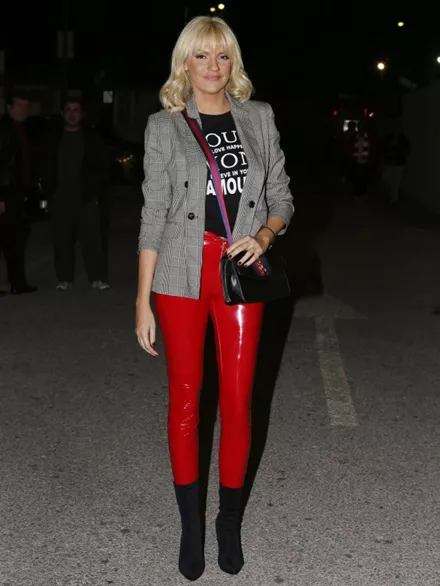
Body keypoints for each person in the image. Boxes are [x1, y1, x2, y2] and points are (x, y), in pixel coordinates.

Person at [135, 16, 294, 581]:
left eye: (222, 56)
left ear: (234, 63)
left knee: (238, 398)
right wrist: (142, 300)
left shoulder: (258, 117)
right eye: (201, 56)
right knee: (185, 398)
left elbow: (281, 196)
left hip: (239, 272)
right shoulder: (163, 126)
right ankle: (190, 526)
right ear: (185, 63)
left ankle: (228, 522)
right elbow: (154, 213)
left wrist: (265, 236)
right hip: (179, 273)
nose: (212, 67)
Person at [41, 97, 111, 291]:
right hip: (59, 198)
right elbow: (43, 163)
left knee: (92, 240)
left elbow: (103, 166)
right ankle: (64, 279)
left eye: (76, 110)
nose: (72, 114)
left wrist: (94, 189)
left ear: (82, 114)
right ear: (62, 113)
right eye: (68, 109)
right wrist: (47, 188)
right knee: (62, 241)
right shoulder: (53, 138)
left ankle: (98, 278)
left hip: (86, 198)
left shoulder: (91, 138)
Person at [0, 89, 38, 295]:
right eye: (19, 106)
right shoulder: (4, 128)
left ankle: (18, 283)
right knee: (8, 238)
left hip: (19, 192)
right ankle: (16, 282)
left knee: (17, 238)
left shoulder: (24, 129)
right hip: (6, 192)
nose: (23, 110)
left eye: (26, 106)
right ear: (9, 107)